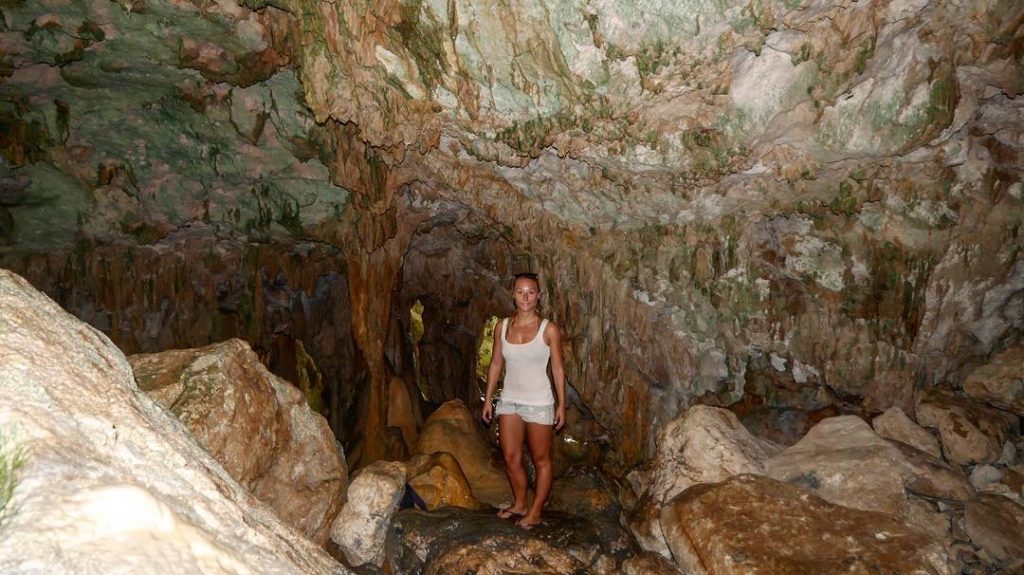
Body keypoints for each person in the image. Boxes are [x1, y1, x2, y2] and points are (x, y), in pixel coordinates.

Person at [481, 272, 566, 529]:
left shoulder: (548, 329)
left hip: (539, 402)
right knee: (510, 456)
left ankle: (536, 511)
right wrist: (488, 399)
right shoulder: (502, 326)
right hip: (509, 399)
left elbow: (558, 369)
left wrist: (561, 404)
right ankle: (520, 503)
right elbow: (496, 363)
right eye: (520, 292)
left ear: (538, 295)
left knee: (541, 459)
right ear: (513, 295)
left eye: (531, 292)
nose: (525, 297)